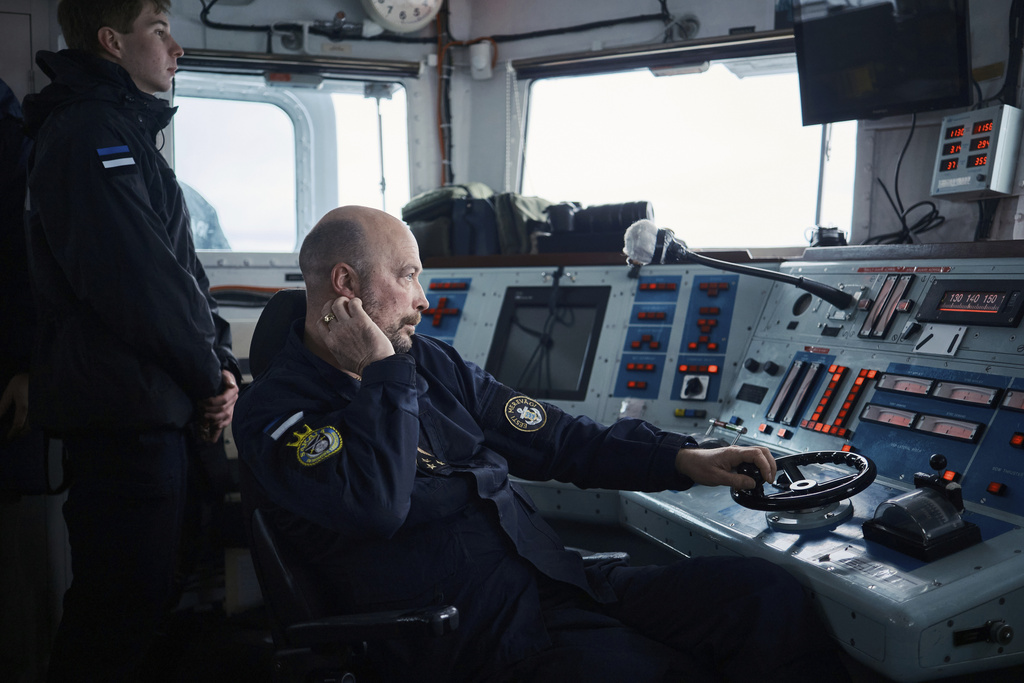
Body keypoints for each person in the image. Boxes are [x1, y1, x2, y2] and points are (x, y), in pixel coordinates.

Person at [234, 206, 851, 682]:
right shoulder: (277, 414)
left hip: (552, 580)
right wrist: (382, 375)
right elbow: (376, 506)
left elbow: (551, 436)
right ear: (346, 284)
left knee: (763, 598)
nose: (424, 298)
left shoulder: (430, 363)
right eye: (407, 276)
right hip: (472, 639)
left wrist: (681, 457)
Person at [21, 1, 240, 680]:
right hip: (125, 420)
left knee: (151, 604)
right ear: (112, 42)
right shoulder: (90, 133)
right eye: (159, 30)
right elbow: (138, 282)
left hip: (152, 409)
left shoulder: (123, 129)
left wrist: (222, 364)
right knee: (116, 614)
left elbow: (182, 272)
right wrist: (208, 379)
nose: (177, 48)